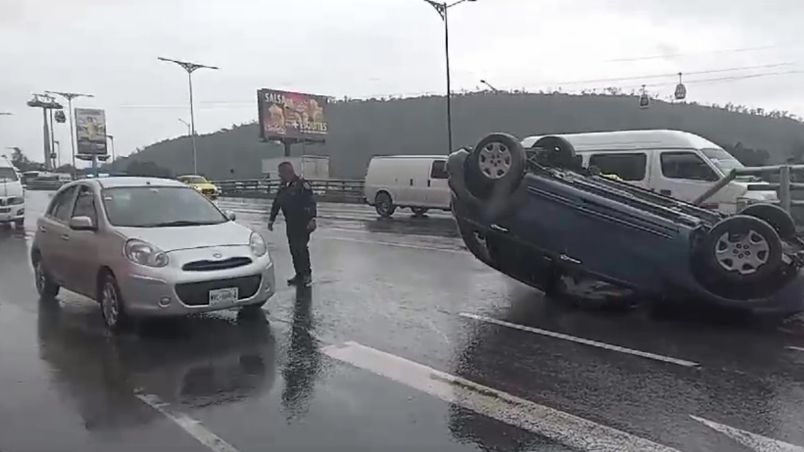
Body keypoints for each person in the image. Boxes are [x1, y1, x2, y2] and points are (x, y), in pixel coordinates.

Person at [268, 162, 317, 287]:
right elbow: (277, 202)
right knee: (294, 249)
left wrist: (312, 219)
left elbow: (311, 202)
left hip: (303, 222)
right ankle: (299, 274)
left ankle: (307, 274)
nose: (280, 176)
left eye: (281, 174)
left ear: (288, 172)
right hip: (290, 223)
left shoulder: (302, 185)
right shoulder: (283, 186)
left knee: (301, 249)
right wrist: (271, 219)